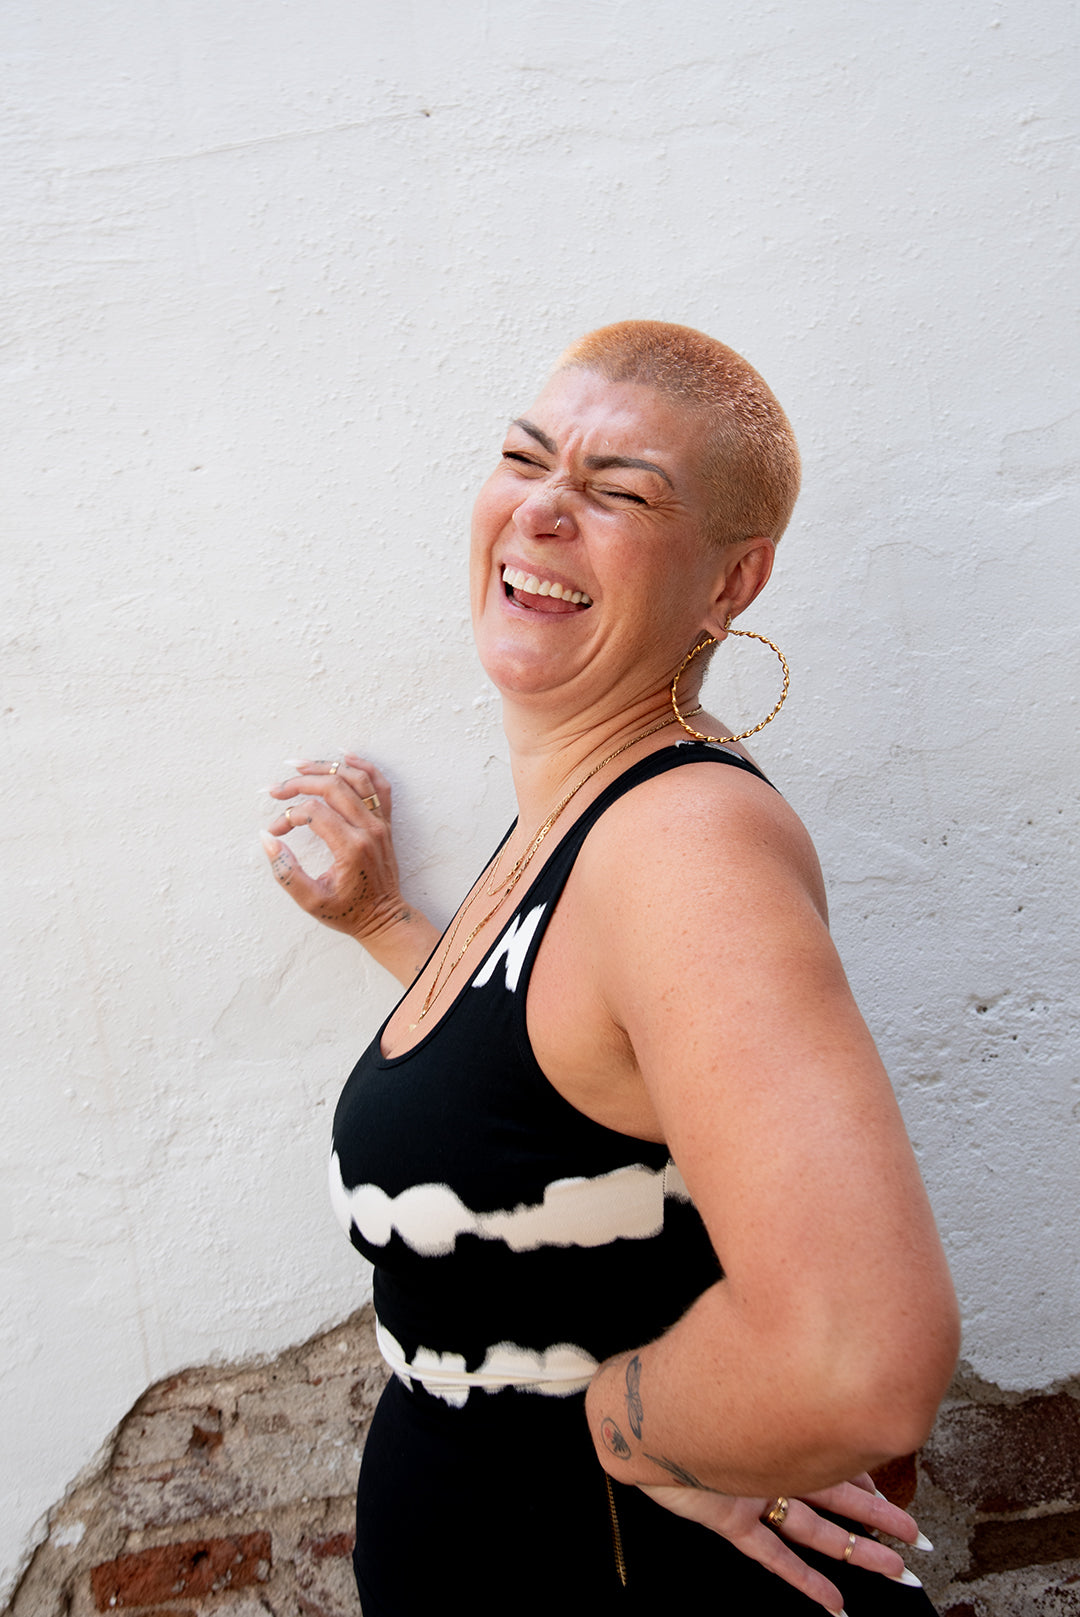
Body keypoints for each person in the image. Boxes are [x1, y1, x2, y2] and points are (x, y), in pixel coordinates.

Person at [260, 321, 959, 1615]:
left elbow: (859, 1358)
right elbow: (552, 1091)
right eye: (527, 458)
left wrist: (631, 1434)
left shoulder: (686, 838)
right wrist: (386, 928)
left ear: (729, 582)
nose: (543, 507)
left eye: (619, 491)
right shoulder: (583, 823)